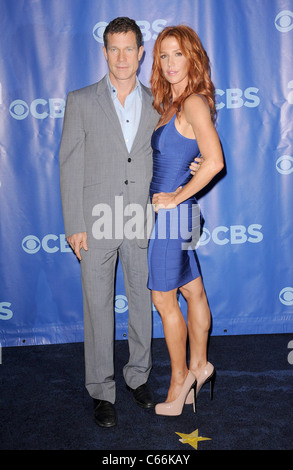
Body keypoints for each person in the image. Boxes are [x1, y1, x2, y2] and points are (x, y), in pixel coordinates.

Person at [59, 17, 161, 428]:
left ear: (141, 53)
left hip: (141, 218)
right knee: (97, 309)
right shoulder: (81, 100)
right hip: (95, 221)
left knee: (142, 302)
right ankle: (101, 390)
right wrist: (74, 223)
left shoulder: (158, 102)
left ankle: (138, 377)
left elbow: (165, 156)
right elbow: (69, 164)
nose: (121, 57)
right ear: (105, 53)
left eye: (129, 49)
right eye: (113, 49)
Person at [148, 25, 224, 416]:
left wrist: (177, 195)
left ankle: (180, 383)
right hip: (177, 216)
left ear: (192, 56)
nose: (170, 63)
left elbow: (214, 162)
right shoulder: (173, 103)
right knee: (192, 291)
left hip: (173, 217)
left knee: (164, 299)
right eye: (163, 55)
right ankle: (200, 366)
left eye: (178, 53)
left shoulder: (192, 101)